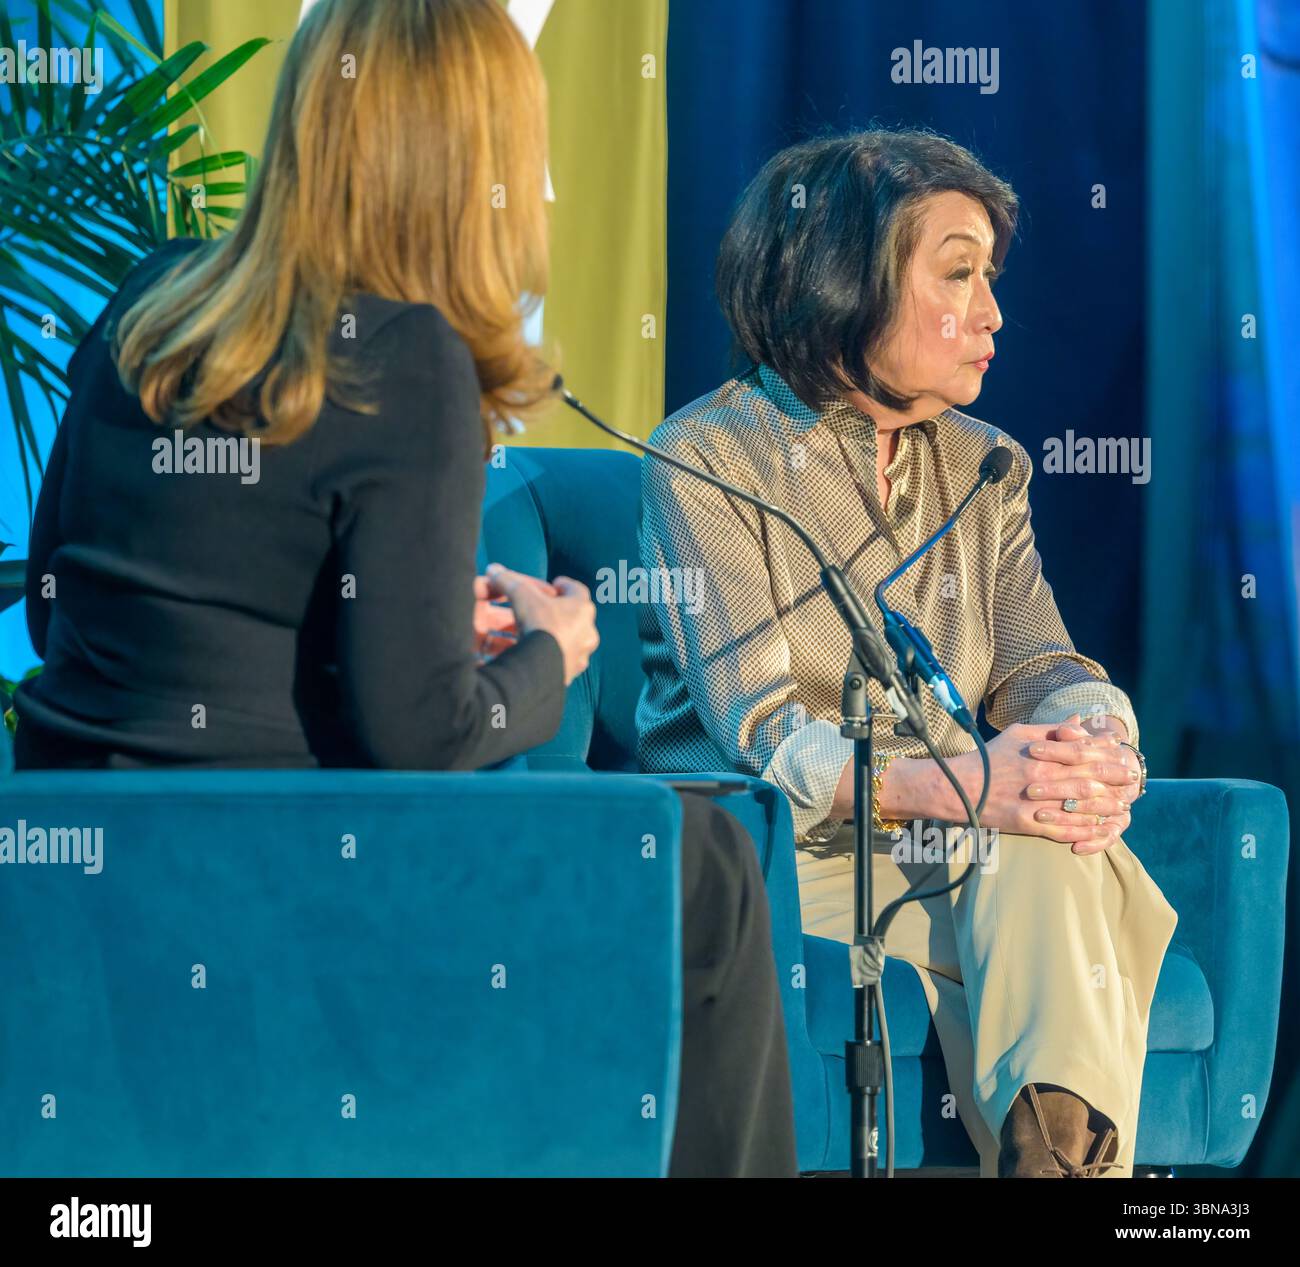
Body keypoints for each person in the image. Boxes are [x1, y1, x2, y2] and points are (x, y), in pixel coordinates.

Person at [13, 0, 796, 1178]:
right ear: (466, 161)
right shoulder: (405, 355)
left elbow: (56, 607)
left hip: (88, 867)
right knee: (699, 864)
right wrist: (553, 650)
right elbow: (420, 738)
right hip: (285, 894)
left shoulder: (149, 304)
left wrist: (364, 633)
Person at [636, 127, 1178, 1177]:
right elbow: (764, 732)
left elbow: (1036, 665)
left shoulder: (985, 467)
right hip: (774, 861)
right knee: (1054, 861)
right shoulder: (706, 455)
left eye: (991, 278)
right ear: (847, 279)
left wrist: (1096, 741)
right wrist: (982, 783)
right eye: (959, 275)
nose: (992, 314)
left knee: (1045, 834)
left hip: (954, 846)